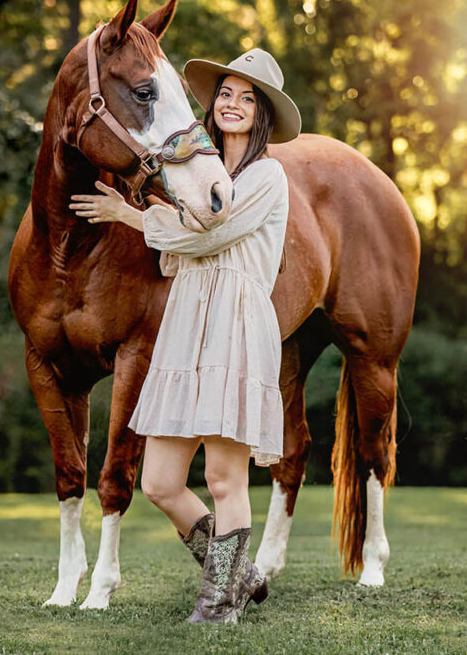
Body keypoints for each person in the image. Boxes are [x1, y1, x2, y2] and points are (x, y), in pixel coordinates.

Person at [69, 48, 301, 624]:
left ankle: (218, 601)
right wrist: (164, 219)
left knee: (224, 477)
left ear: (263, 114)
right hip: (188, 323)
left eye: (248, 99)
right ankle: (241, 575)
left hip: (237, 322)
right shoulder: (194, 181)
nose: (233, 104)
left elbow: (207, 239)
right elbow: (177, 260)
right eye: (226, 93)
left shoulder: (269, 177)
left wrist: (128, 216)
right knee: (160, 482)